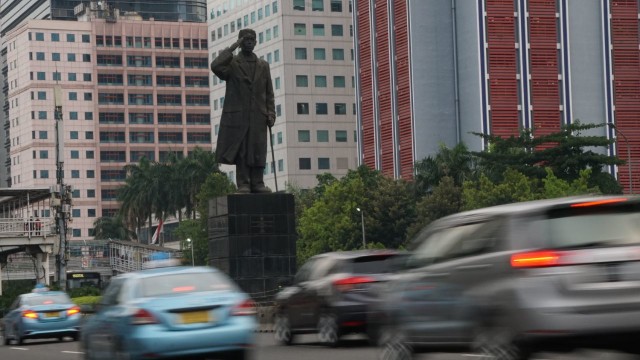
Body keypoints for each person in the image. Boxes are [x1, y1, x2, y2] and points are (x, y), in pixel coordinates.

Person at [210, 28, 276, 194]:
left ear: (256, 42)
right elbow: (215, 65)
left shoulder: (263, 66)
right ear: (240, 42)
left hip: (259, 116)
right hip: (239, 117)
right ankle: (244, 184)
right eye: (245, 39)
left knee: (258, 149)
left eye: (252, 39)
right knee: (243, 151)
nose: (249, 41)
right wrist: (233, 47)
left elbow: (269, 93)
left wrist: (271, 112)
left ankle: (258, 182)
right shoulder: (232, 64)